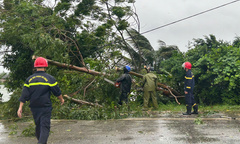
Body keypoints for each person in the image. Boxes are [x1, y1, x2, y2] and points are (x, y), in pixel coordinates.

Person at [17, 57, 64, 144]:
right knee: (45, 127)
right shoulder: (50, 78)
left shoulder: (29, 79)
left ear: (35, 67)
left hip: (34, 107)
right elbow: (57, 91)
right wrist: (61, 99)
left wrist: (20, 107)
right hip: (45, 107)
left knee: (38, 126)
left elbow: (24, 95)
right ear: (45, 66)